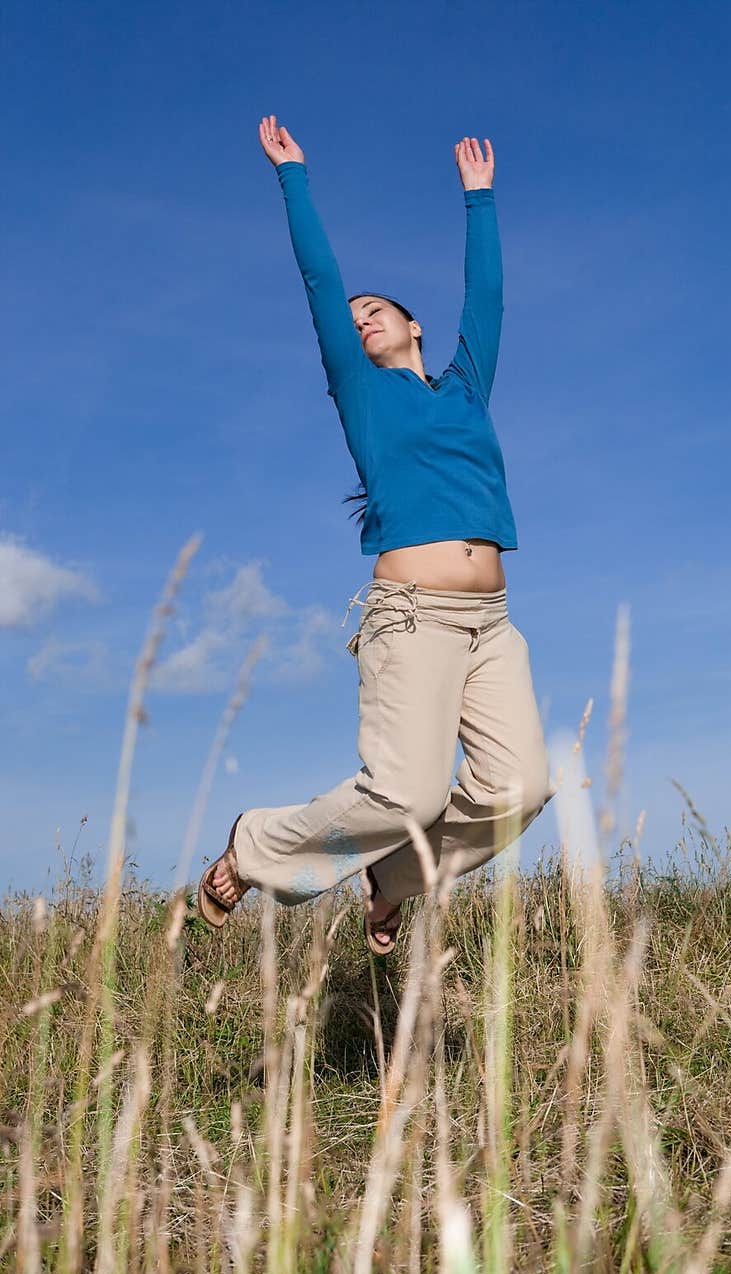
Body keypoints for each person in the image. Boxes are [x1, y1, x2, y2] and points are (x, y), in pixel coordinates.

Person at [198, 114, 555, 954]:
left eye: (377, 311)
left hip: (491, 625)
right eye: (354, 319)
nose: (361, 320)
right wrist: (293, 176)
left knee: (522, 786)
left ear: (414, 327)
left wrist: (479, 200)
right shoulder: (362, 394)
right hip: (412, 616)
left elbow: (490, 300)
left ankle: (391, 882)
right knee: (406, 794)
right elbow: (321, 281)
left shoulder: (463, 390)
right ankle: (255, 847)